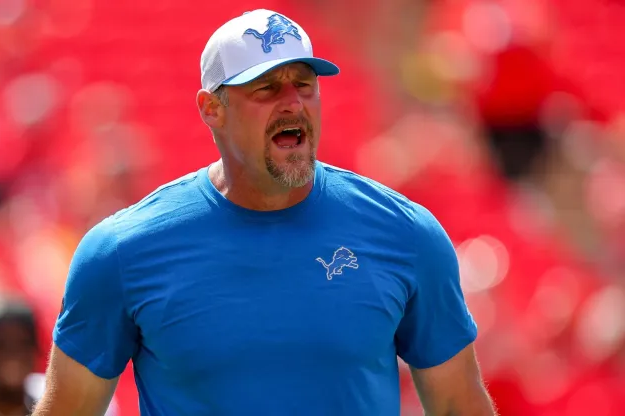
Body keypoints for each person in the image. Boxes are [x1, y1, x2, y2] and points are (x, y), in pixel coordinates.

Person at [33, 8, 497, 416]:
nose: (293, 102)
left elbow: (459, 406)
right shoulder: (122, 252)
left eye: (304, 85)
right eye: (267, 88)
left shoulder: (407, 235)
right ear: (212, 108)